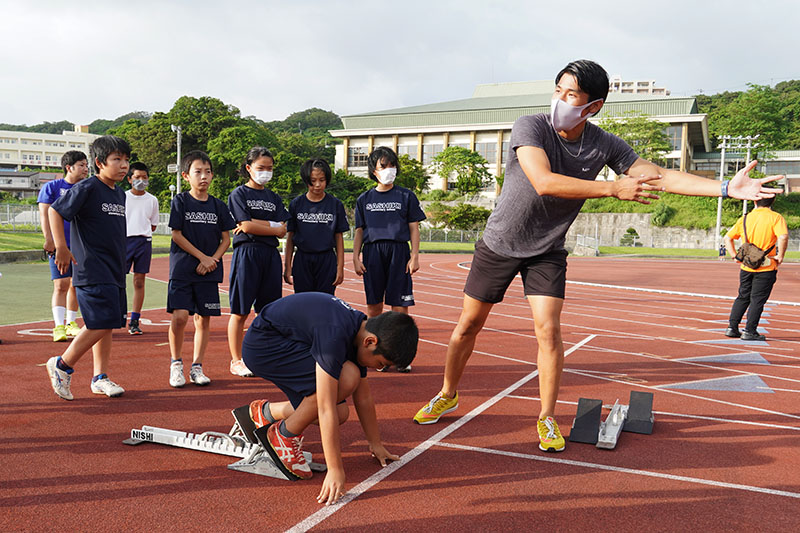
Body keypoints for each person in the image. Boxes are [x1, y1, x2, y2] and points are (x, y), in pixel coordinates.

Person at [412, 59, 783, 453]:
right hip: (501, 243)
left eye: (571, 95)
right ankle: (449, 392)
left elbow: (656, 174)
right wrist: (611, 189)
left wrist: (725, 187)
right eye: (558, 91)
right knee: (468, 325)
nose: (560, 101)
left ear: (594, 106)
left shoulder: (603, 144)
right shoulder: (531, 126)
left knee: (548, 331)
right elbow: (543, 181)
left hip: (547, 251)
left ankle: (547, 416)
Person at [242, 292, 418, 505]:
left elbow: (363, 398)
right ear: (370, 342)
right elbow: (324, 406)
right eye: (381, 363)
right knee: (347, 378)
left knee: (341, 412)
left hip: (288, 342)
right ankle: (282, 435)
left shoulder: (361, 330)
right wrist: (335, 469)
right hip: (264, 347)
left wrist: (376, 444)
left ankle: (265, 413)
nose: (379, 368)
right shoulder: (335, 334)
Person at [44, 136, 131, 400]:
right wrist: (61, 246)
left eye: (126, 159)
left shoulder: (118, 193)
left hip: (115, 269)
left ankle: (100, 377)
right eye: (117, 159)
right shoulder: (88, 187)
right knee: (98, 322)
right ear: (99, 162)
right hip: (92, 268)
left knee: (108, 323)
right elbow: (55, 212)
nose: (123, 165)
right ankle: (62, 365)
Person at [352, 146, 426, 373]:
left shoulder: (406, 196)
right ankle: (377, 354)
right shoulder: (364, 198)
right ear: (374, 170)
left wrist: (414, 255)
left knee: (400, 307)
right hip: (373, 252)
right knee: (374, 307)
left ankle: (400, 356)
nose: (389, 170)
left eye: (392, 165)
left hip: (399, 252)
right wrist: (355, 257)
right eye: (384, 166)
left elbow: (414, 227)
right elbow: (359, 231)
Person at [167, 150, 236, 388]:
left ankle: (197, 366)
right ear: (186, 176)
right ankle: (176, 364)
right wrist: (202, 257)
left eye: (208, 172)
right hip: (183, 269)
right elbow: (177, 234)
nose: (203, 176)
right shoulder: (180, 201)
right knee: (180, 316)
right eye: (198, 172)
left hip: (208, 270)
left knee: (203, 319)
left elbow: (226, 239)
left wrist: (213, 260)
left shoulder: (218, 205)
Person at [226, 147, 288, 378]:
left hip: (270, 256)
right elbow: (246, 226)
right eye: (261, 168)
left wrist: (258, 224)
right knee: (240, 310)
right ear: (249, 168)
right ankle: (236, 360)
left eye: (269, 168)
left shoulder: (273, 197)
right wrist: (269, 226)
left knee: (269, 311)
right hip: (247, 254)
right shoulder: (239, 194)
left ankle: (264, 356)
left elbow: (282, 229)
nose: (265, 172)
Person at [38, 150, 89, 342]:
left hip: (81, 244)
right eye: (81, 165)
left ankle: (71, 323)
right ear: (69, 167)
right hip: (61, 244)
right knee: (61, 284)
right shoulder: (52, 187)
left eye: (86, 165)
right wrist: (49, 239)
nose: (85, 169)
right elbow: (45, 214)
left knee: (76, 285)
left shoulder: (86, 188)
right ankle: (58, 326)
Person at [724, 195, 788, 341]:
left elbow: (728, 238)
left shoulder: (745, 218)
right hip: (766, 265)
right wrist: (780, 255)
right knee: (757, 299)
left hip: (747, 265)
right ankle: (750, 330)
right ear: (773, 201)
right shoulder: (776, 218)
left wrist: (734, 255)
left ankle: (732, 327)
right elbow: (783, 237)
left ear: (754, 201)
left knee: (743, 296)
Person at [284, 158, 349, 295]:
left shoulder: (335, 204)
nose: (318, 185)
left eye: (322, 180)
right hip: (303, 258)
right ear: (306, 180)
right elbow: (291, 236)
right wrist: (287, 266)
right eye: (313, 181)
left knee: (325, 301)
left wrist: (340, 267)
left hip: (326, 259)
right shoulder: (296, 204)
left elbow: (339, 237)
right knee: (303, 301)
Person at [124, 161, 160, 335]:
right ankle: (118, 315)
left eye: (144, 178)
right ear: (130, 179)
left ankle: (134, 320)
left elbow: (153, 225)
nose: (141, 180)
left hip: (143, 242)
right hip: (124, 241)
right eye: (137, 177)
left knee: (139, 281)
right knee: (118, 280)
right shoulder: (122, 197)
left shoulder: (152, 200)